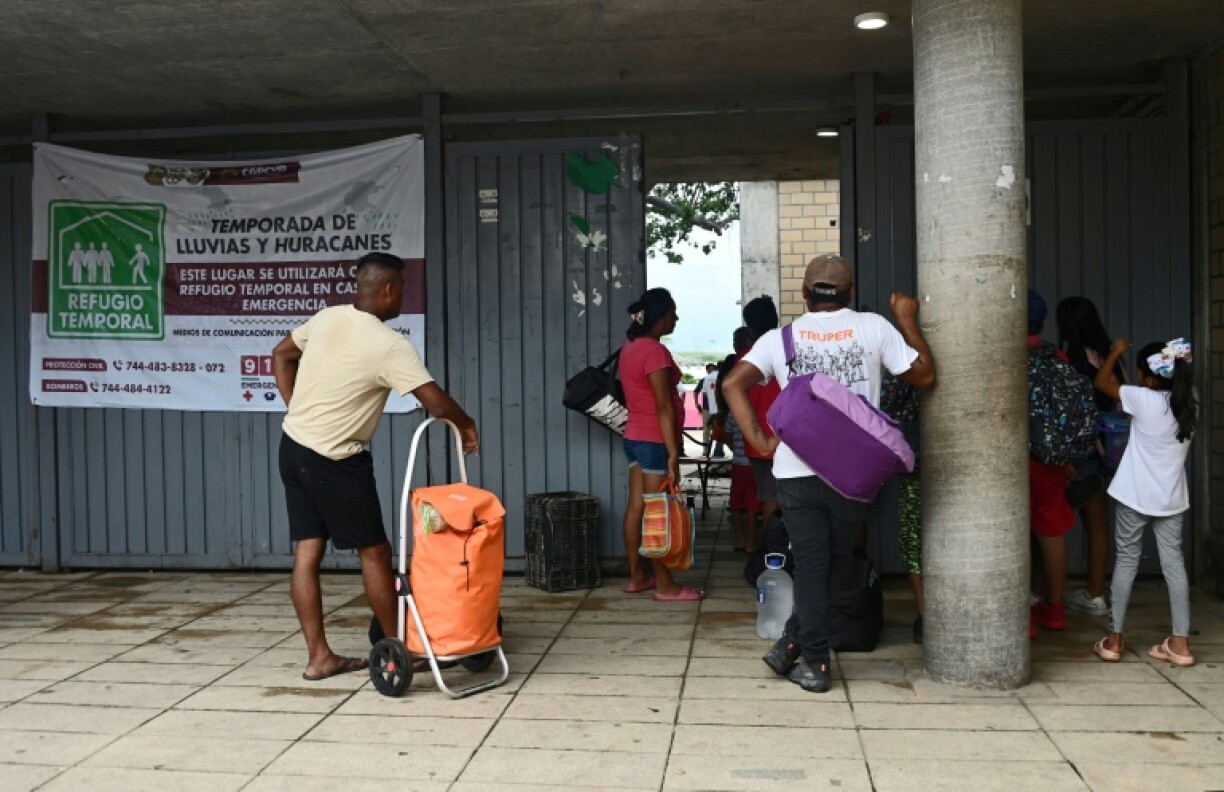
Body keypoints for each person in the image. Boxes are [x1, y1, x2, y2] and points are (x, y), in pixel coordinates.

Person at [723, 255, 935, 692]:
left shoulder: (779, 339)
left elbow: (731, 385)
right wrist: (908, 319)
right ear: (850, 293)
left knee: (818, 564)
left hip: (795, 470)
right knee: (833, 563)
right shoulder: (875, 327)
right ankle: (807, 652)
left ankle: (805, 650)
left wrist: (761, 443)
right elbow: (924, 375)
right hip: (853, 474)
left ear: (804, 294)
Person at [272, 251, 479, 682]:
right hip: (335, 458)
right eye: (402, 288)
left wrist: (298, 408)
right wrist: (467, 425)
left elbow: (281, 354)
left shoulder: (327, 318)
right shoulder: (389, 344)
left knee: (307, 553)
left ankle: (319, 658)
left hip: (293, 447)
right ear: (387, 289)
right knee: (375, 552)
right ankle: (402, 647)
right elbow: (435, 401)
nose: (404, 295)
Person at [1092, 337, 1197, 666]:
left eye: (1139, 370)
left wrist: (1115, 353)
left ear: (1149, 379)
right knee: (1174, 566)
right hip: (1170, 500)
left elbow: (1101, 382)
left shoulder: (1141, 398)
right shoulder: (1191, 402)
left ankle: (1113, 640)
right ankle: (1179, 644)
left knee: (1126, 562)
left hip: (1134, 496)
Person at [618, 287, 704, 602]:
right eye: (672, 313)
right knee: (657, 511)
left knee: (637, 508)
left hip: (633, 437)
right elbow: (664, 406)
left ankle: (638, 576)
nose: (676, 318)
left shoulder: (629, 348)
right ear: (660, 317)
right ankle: (666, 586)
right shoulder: (654, 351)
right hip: (654, 439)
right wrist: (672, 453)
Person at [1056, 296, 1119, 617]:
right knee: (1097, 525)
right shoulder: (1107, 356)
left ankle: (1044, 594)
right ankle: (1095, 594)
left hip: (1075, 450)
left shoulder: (1071, 360)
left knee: (1049, 524)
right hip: (1103, 448)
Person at [1028, 291, 1075, 638]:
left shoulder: (1004, 357)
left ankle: (1022, 611)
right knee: (1051, 529)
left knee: (1010, 530)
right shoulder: (1057, 358)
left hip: (1008, 458)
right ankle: (1054, 607)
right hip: (1051, 458)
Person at [881, 375, 923, 644]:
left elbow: (882, 405)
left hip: (915, 464)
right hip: (962, 465)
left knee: (914, 541)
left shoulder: (907, 369)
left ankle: (925, 616)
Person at [738, 296, 782, 532]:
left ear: (750, 327)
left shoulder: (744, 356)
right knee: (781, 499)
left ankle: (770, 549)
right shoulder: (787, 349)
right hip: (784, 437)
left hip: (754, 438)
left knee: (767, 497)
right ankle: (777, 550)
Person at [719, 329, 758, 552]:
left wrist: (735, 449)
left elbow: (726, 434)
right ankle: (752, 542)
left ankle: (740, 539)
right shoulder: (759, 410)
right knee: (753, 505)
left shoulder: (734, 411)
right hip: (753, 463)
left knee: (736, 505)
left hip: (739, 464)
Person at [698, 364, 726, 457]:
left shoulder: (707, 378)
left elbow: (705, 392)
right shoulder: (724, 377)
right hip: (720, 409)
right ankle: (718, 451)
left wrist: (711, 400)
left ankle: (706, 450)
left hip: (709, 408)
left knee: (706, 429)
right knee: (720, 429)